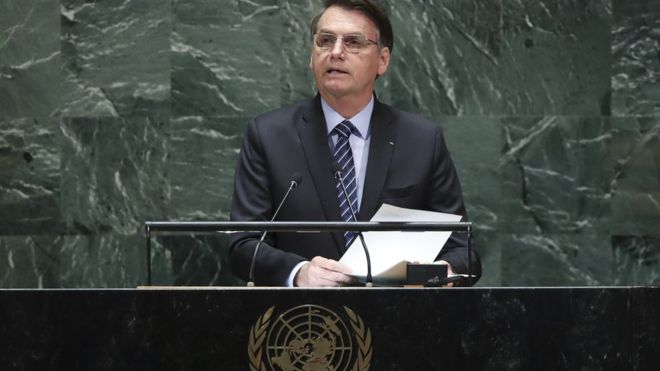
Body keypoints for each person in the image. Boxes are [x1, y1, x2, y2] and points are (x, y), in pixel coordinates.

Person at [229, 0, 481, 287]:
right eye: (325, 41)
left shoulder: (422, 140)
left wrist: (440, 272)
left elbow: (464, 249)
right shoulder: (268, 135)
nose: (336, 52)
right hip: (305, 320)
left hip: (398, 318)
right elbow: (243, 245)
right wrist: (299, 272)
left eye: (353, 42)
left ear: (382, 60)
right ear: (312, 56)